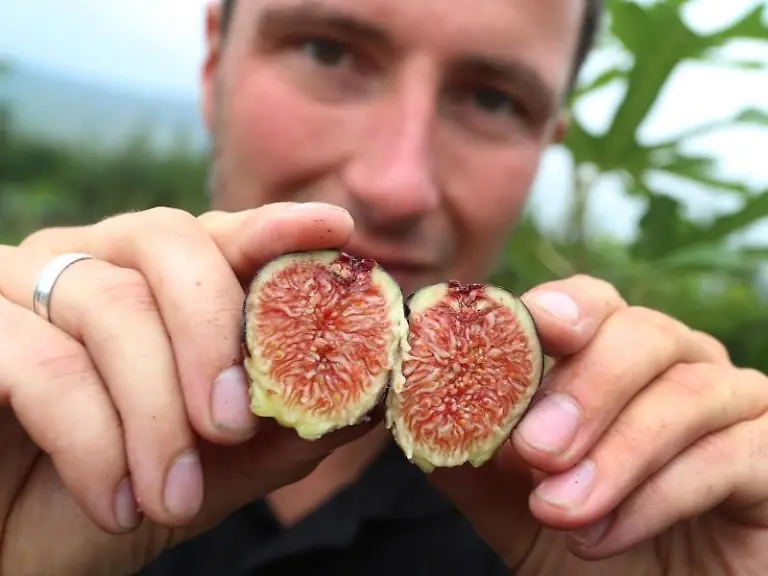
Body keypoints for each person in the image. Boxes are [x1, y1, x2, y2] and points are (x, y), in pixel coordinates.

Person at [2, 0, 767, 574]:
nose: (396, 185)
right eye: (327, 49)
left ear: (547, 145)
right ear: (213, 65)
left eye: (492, 98)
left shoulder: (588, 527)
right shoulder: (30, 447)